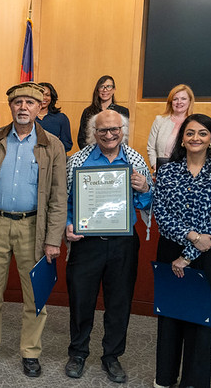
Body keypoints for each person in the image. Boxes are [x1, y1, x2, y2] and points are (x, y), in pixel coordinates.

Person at [0, 82, 67, 377]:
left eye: (30, 103)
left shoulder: (53, 145)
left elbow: (59, 197)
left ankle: (31, 352)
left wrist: (53, 239)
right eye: (18, 102)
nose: (23, 107)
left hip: (34, 228)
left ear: (39, 108)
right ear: (10, 106)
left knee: (35, 295)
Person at [64, 109, 152, 383]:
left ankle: (112, 355)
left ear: (123, 130)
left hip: (123, 244)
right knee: (81, 299)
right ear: (94, 133)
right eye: (103, 130)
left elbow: (147, 204)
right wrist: (67, 225)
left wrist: (145, 189)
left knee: (119, 301)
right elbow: (65, 200)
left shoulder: (135, 159)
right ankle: (78, 352)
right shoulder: (77, 160)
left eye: (115, 129)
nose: (110, 134)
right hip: (86, 243)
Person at [153, 114, 211, 388]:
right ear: (182, 139)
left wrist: (188, 255)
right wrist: (191, 237)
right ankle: (165, 377)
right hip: (170, 250)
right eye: (190, 133)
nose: (195, 138)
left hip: (208, 254)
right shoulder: (167, 172)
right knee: (170, 314)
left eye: (202, 133)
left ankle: (194, 381)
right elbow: (161, 215)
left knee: (200, 317)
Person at [147, 84, 195, 171]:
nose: (179, 102)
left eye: (183, 99)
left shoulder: (195, 123)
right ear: (170, 102)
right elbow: (151, 147)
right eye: (175, 99)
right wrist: (156, 167)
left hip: (187, 171)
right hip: (162, 169)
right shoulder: (159, 120)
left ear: (190, 101)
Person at [76, 75, 130, 150]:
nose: (105, 90)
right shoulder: (88, 111)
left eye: (108, 86)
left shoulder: (123, 111)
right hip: (92, 155)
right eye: (102, 86)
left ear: (114, 89)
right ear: (97, 90)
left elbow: (124, 138)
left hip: (115, 155)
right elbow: (81, 138)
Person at [36, 82, 73, 152]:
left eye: (47, 95)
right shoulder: (28, 118)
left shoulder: (61, 118)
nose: (44, 98)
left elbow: (67, 144)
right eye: (40, 94)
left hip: (55, 158)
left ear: (51, 97)